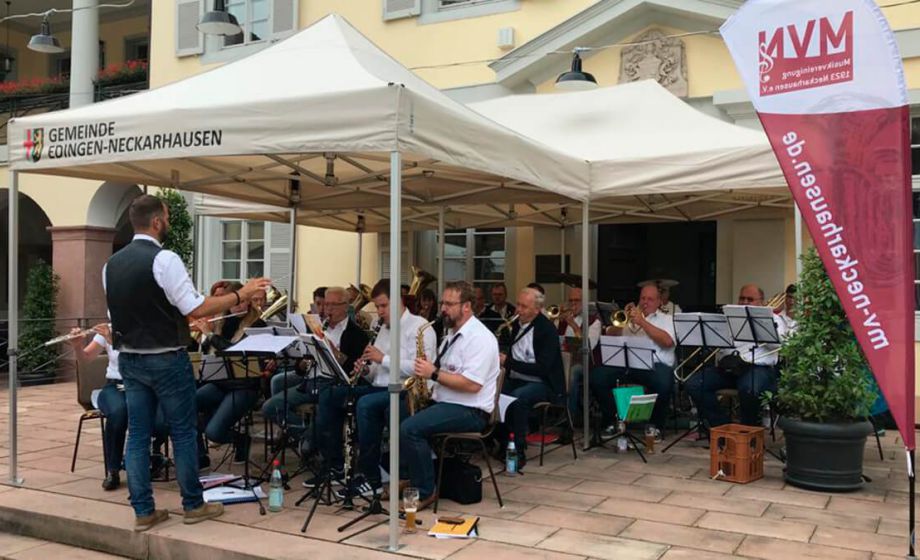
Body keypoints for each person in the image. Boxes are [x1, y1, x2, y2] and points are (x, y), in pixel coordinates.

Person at [104, 194, 270, 531]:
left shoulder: (111, 265)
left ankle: (143, 512)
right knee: (183, 432)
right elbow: (196, 308)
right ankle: (193, 505)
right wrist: (241, 294)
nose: (167, 222)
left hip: (130, 360)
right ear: (156, 222)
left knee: (138, 435)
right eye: (166, 217)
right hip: (166, 358)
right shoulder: (164, 259)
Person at [313, 279, 436, 494]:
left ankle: (371, 478)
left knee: (365, 404)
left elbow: (420, 369)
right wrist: (365, 370)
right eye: (377, 306)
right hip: (379, 387)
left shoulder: (419, 327)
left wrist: (382, 358)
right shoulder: (379, 327)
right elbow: (375, 374)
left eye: (384, 306)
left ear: (398, 301)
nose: (379, 312)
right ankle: (336, 464)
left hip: (406, 390)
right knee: (330, 395)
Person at [401, 281, 500, 510]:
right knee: (395, 412)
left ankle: (425, 491)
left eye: (449, 304)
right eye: (442, 303)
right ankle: (412, 476)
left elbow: (472, 385)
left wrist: (433, 373)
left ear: (466, 306)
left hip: (470, 410)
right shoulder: (451, 335)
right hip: (448, 402)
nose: (443, 309)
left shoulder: (480, 338)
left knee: (410, 429)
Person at [262, 287, 368, 452]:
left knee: (325, 415)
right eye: (326, 304)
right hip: (310, 383)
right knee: (270, 407)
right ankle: (308, 438)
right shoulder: (316, 328)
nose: (328, 309)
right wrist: (302, 364)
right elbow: (299, 368)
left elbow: (352, 371)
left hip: (333, 385)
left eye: (334, 305)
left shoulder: (357, 334)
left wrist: (331, 350)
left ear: (346, 306)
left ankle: (311, 444)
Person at [69, 323, 168, 491]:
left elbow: (144, 358)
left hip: (146, 385)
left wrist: (112, 340)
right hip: (116, 385)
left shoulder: (147, 325)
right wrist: (77, 346)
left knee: (160, 420)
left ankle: (152, 456)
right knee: (118, 412)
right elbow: (85, 358)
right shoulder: (108, 328)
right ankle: (113, 469)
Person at [685, 284, 786, 427]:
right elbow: (720, 346)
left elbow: (779, 346)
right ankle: (722, 426)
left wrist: (759, 324)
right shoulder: (730, 318)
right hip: (730, 368)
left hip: (757, 369)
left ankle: (747, 430)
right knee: (694, 384)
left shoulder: (774, 319)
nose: (744, 302)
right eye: (742, 298)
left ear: (761, 302)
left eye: (750, 299)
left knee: (749, 389)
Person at [589, 284, 676, 439]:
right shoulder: (631, 317)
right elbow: (609, 334)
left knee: (664, 382)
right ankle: (613, 420)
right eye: (643, 298)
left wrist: (642, 322)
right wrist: (622, 322)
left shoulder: (667, 319)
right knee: (597, 377)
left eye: (650, 299)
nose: (645, 302)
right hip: (627, 364)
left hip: (654, 366)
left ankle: (655, 426)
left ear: (659, 302)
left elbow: (668, 341)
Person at [193, 286, 267, 465]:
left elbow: (235, 353)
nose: (239, 306)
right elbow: (207, 354)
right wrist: (202, 337)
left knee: (214, 433)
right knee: (186, 405)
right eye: (235, 302)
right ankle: (200, 456)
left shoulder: (257, 325)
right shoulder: (221, 322)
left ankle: (240, 439)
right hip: (220, 382)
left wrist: (210, 335)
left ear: (248, 302)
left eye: (243, 302)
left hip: (244, 386)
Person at [498, 288, 565, 469]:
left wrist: (508, 362)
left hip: (542, 383)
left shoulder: (547, 330)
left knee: (518, 398)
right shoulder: (516, 324)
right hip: (517, 377)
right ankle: (502, 442)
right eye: (518, 304)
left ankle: (518, 451)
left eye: (524, 306)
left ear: (537, 309)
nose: (518, 310)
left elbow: (543, 369)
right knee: (495, 394)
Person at [558, 287, 602, 420]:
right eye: (570, 301)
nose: (573, 304)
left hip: (585, 363)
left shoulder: (594, 321)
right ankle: (554, 410)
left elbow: (588, 346)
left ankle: (570, 416)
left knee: (571, 374)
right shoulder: (562, 320)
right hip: (565, 359)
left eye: (576, 301)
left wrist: (573, 325)